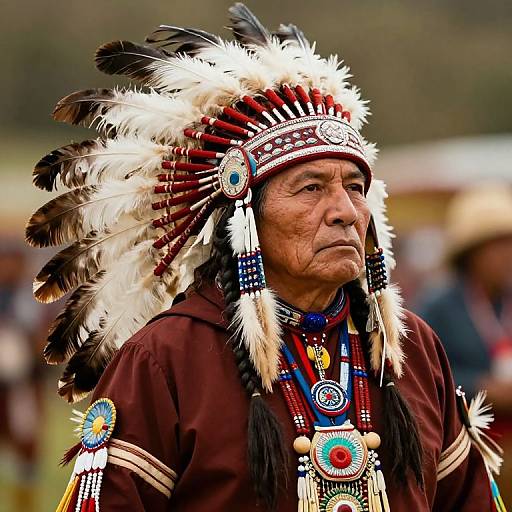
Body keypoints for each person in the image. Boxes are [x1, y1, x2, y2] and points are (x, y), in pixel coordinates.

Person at [27, 4, 505, 511]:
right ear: (245, 215)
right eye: (311, 188)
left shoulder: (410, 350)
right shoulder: (167, 359)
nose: (345, 211)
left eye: (356, 187)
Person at [419, 184, 512, 507]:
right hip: (469, 452)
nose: (506, 255)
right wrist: (478, 386)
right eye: (497, 246)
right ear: (470, 253)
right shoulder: (437, 307)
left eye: (510, 244)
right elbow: (419, 378)